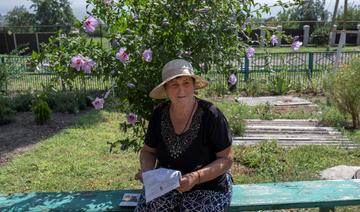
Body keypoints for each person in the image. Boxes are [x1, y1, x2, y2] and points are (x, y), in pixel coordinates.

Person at [134, 59, 233, 212]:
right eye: (174, 84)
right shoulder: (159, 114)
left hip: (208, 186)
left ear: (194, 86)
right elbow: (148, 151)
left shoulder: (211, 115)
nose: (181, 90)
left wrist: (196, 177)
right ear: (165, 90)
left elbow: (226, 159)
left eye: (186, 83)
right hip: (164, 186)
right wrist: (148, 174)